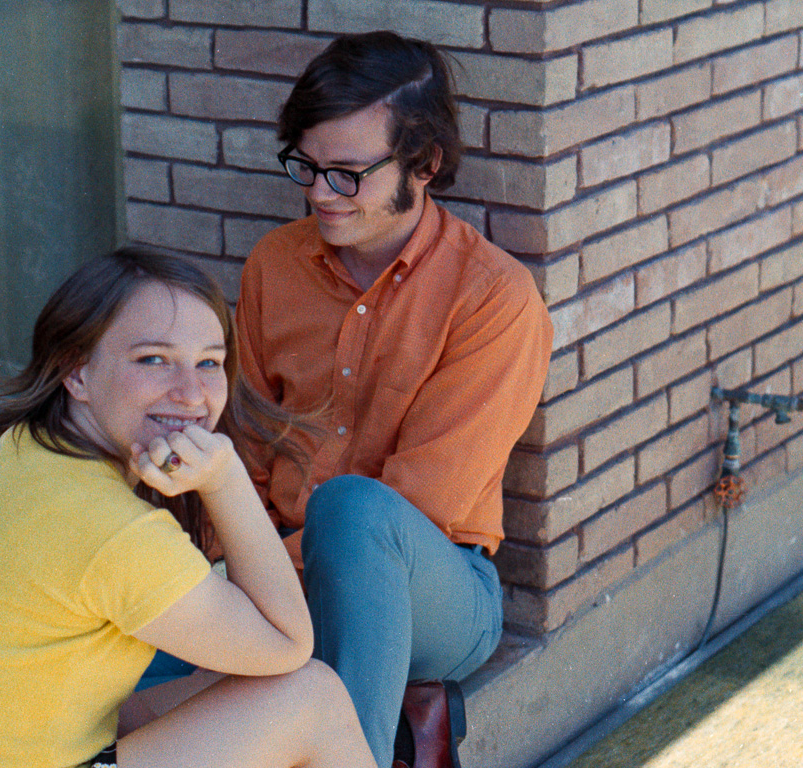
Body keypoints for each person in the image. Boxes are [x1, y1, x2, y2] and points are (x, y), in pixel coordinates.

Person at [0, 246, 377, 768]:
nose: (192, 393)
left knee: (229, 682)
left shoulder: (12, 452)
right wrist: (226, 482)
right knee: (312, 699)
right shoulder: (105, 527)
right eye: (153, 359)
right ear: (77, 374)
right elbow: (288, 642)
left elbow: (259, 657)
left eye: (209, 363)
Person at [235, 31, 554, 767]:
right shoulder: (272, 266)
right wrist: (234, 564)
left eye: (347, 173)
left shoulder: (492, 297)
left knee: (352, 509)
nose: (319, 193)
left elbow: (423, 502)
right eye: (306, 167)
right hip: (272, 571)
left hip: (435, 591)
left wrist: (261, 576)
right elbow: (244, 448)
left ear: (426, 163)